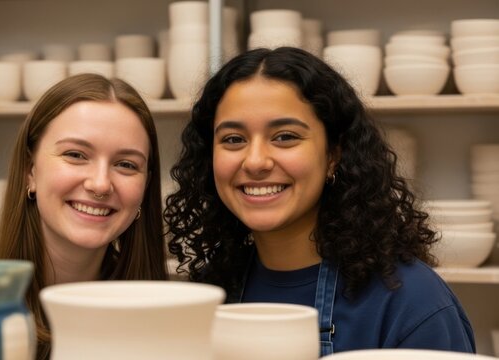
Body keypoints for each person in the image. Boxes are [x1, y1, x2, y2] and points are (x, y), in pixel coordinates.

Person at [163, 47, 475, 355]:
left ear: (333, 156)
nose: (255, 161)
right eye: (233, 139)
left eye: (285, 136)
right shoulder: (212, 295)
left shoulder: (412, 303)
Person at [0, 73, 167, 359]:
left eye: (126, 164)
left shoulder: (156, 309)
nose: (100, 184)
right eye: (76, 155)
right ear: (29, 171)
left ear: (145, 187)